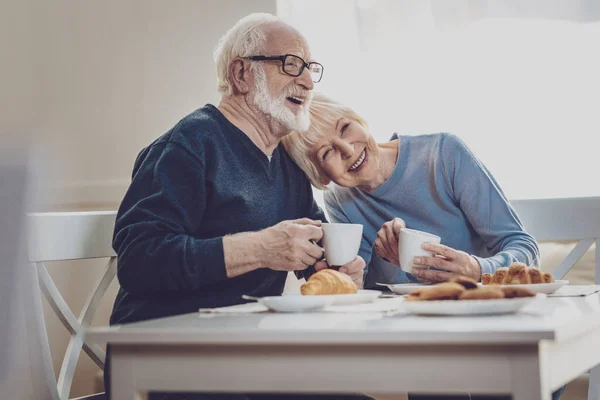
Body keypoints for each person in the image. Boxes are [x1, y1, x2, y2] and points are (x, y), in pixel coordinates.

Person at [106, 14, 369, 400]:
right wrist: (261, 249)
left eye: (311, 68)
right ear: (242, 74)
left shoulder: (286, 164)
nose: (309, 81)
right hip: (166, 353)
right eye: (290, 65)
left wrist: (341, 270)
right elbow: (138, 260)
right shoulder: (190, 144)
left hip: (246, 354)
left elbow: (316, 252)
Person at [283, 93, 564, 400]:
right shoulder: (340, 198)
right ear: (321, 177)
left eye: (346, 127)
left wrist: (476, 269)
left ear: (361, 121)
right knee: (429, 369)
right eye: (327, 154)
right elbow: (361, 290)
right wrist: (357, 276)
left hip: (505, 331)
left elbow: (522, 245)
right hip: (432, 339)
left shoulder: (442, 153)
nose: (348, 150)